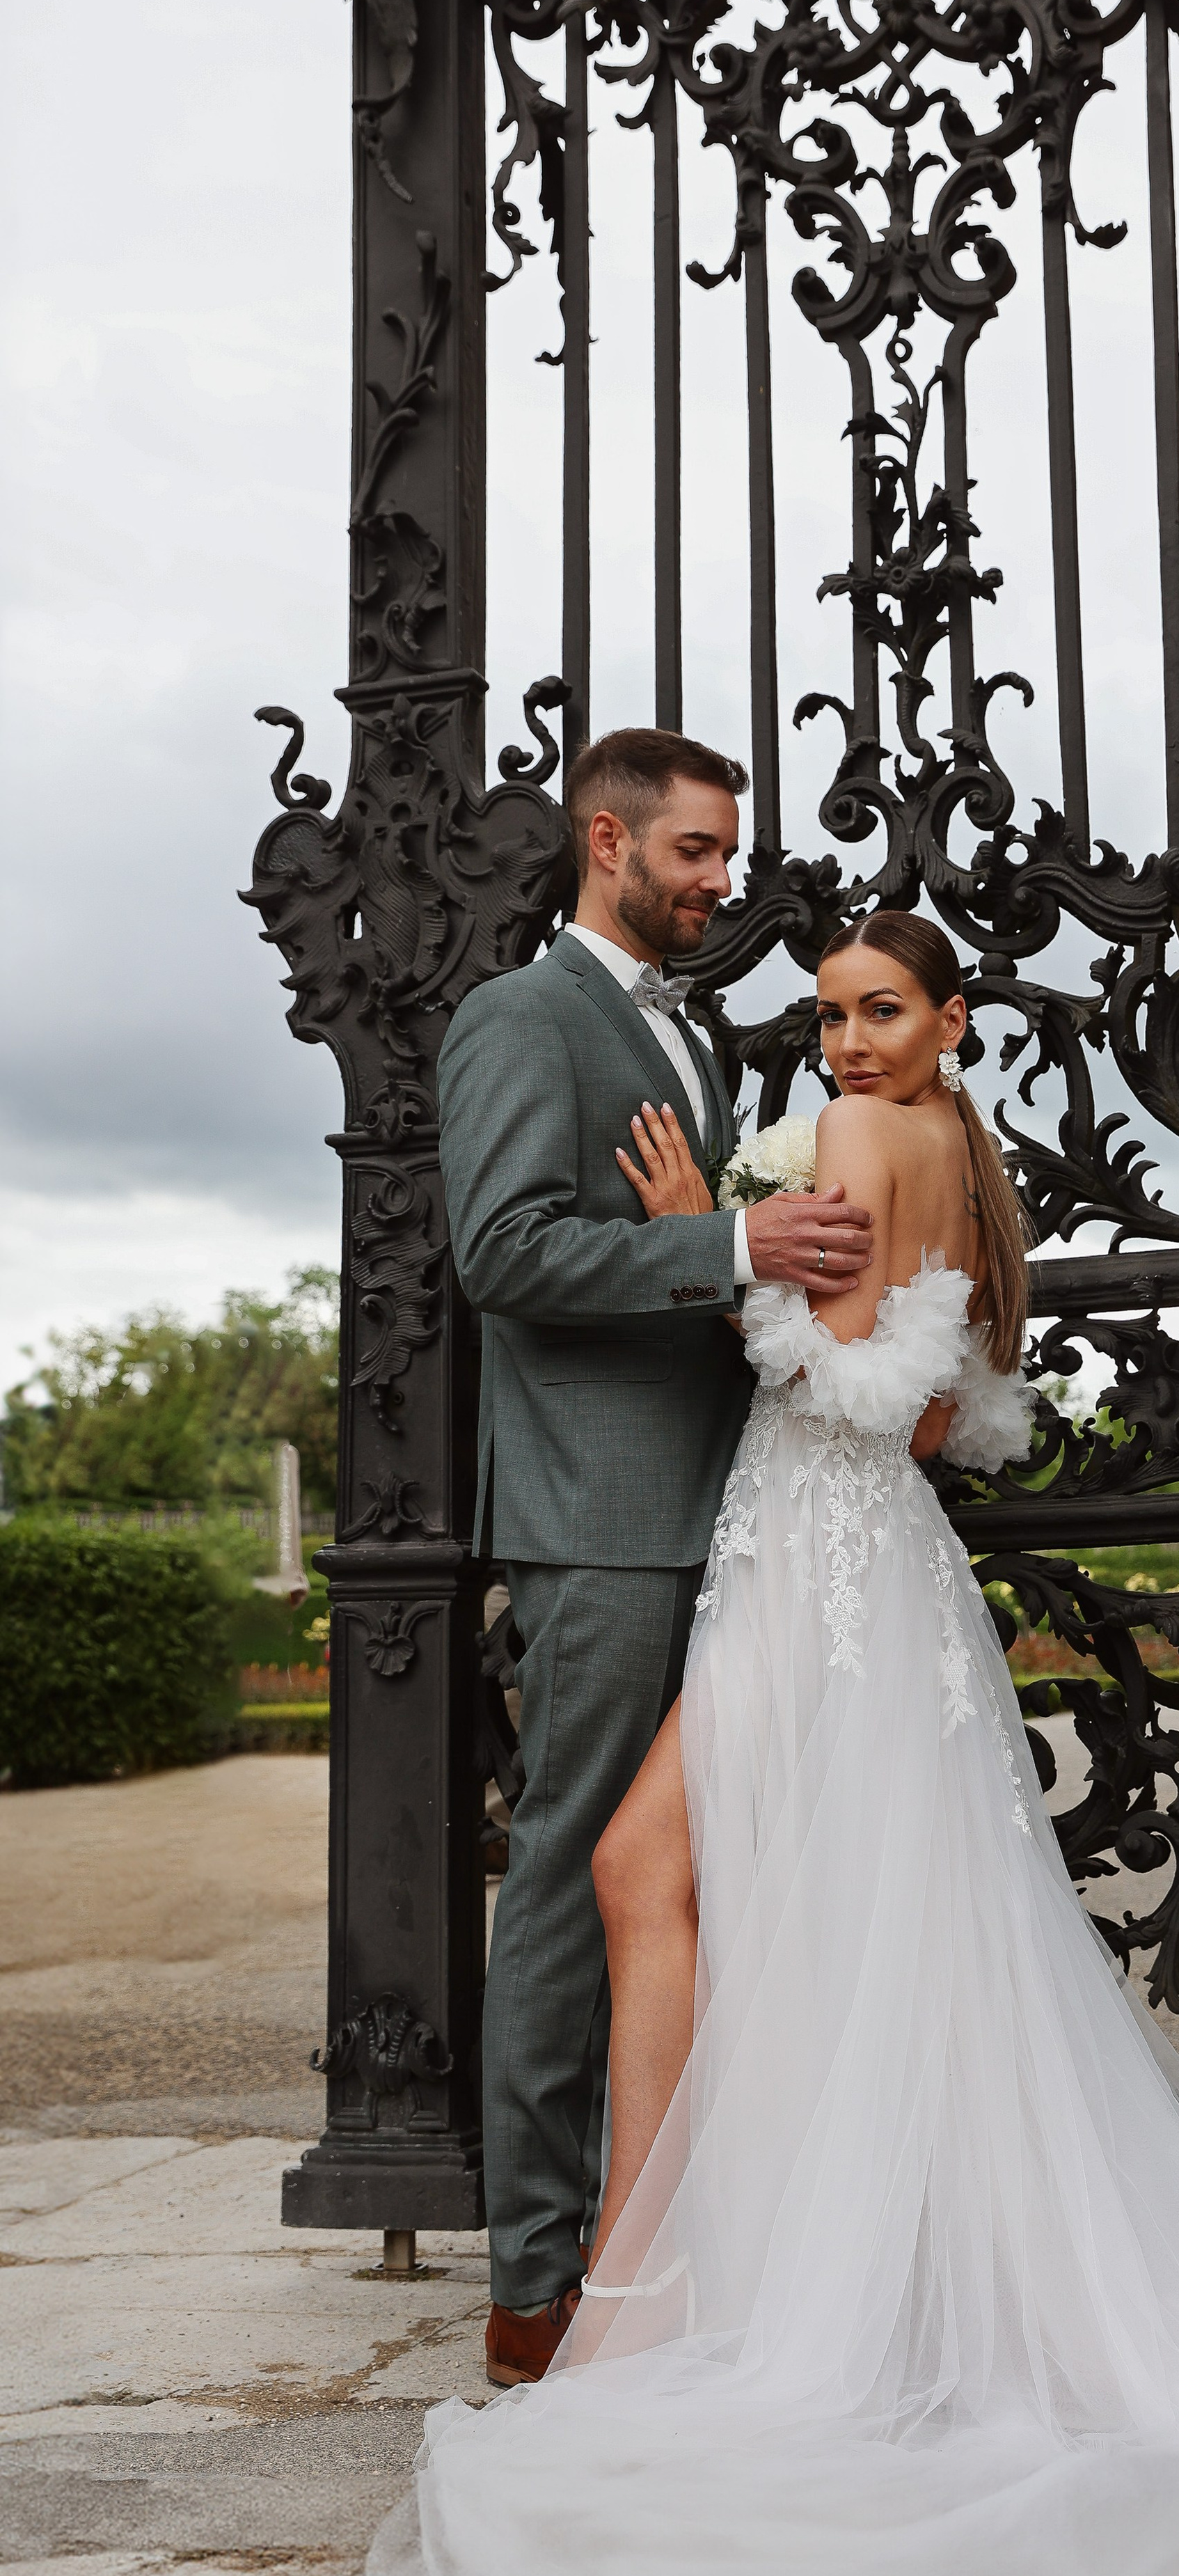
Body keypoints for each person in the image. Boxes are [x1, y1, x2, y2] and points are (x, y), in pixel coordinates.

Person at [384, 910, 1179, 2576]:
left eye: (881, 1011)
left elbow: (843, 1382)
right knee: (814, 1911)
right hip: (864, 1564)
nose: (849, 1040)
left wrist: (688, 1243)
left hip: (813, 1563)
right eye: (833, 1014)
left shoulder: (868, 1138)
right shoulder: (966, 1156)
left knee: (659, 1872)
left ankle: (642, 2314)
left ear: (948, 1020)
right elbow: (950, 1414)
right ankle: (680, 2285)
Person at [435, 726, 873, 2387]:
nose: (719, 879)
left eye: (724, 851)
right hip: (601, 1524)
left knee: (708, 1885)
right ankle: (536, 2282)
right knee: (572, 1877)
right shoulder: (517, 1018)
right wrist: (731, 1235)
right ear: (606, 841)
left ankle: (677, 2237)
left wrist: (738, 1255)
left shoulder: (691, 1045)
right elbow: (499, 1247)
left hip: (734, 1517)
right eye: (694, 851)